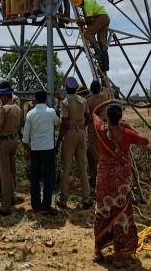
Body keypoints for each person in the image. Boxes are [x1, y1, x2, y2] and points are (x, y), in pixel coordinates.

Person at [92, 99, 148, 266]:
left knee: (102, 211)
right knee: (122, 214)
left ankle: (97, 251)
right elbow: (145, 141)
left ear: (107, 116)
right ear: (121, 116)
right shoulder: (126, 133)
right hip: (121, 180)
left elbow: (94, 112)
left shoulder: (101, 128)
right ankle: (118, 256)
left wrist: (107, 101)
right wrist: (131, 127)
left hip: (103, 178)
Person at [55, 76, 92, 209]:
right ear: (76, 88)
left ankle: (62, 199)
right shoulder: (83, 100)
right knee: (83, 166)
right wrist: (81, 127)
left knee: (66, 167)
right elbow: (89, 118)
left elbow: (64, 124)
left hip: (70, 134)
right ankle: (87, 198)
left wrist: (59, 141)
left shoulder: (65, 102)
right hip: (81, 134)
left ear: (66, 88)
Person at [23, 90, 59, 214]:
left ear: (35, 100)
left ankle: (35, 204)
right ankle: (46, 205)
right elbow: (57, 123)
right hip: (48, 148)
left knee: (35, 177)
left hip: (35, 148)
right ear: (46, 100)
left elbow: (26, 136)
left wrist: (27, 148)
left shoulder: (30, 114)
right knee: (48, 177)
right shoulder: (50, 112)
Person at [0, 86, 22, 216]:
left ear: (5, 96)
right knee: (11, 171)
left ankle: (5, 207)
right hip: (14, 140)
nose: (1, 99)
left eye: (1, 97)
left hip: (4, 142)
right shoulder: (18, 108)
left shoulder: (4, 109)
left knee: (5, 175)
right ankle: (12, 198)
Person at [71, 0, 110, 72]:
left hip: (101, 17)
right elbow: (90, 19)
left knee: (88, 34)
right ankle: (105, 66)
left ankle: (97, 51)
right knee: (102, 42)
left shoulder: (87, 4)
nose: (78, 6)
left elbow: (89, 19)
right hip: (105, 17)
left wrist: (82, 23)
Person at [86, 78, 109, 185]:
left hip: (94, 128)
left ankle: (101, 177)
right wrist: (102, 76)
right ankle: (94, 174)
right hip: (105, 127)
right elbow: (106, 88)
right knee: (90, 152)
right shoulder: (105, 96)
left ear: (90, 89)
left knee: (95, 153)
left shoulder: (88, 100)